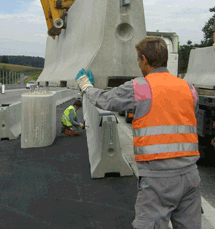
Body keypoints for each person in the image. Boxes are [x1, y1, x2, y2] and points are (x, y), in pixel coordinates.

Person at [75, 37, 201, 229]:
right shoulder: (189, 88)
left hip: (159, 177)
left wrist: (87, 88)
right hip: (190, 175)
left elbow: (107, 100)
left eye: (138, 60)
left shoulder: (140, 87)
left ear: (144, 59)